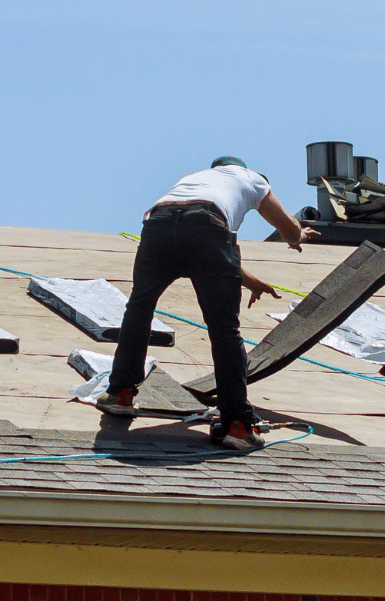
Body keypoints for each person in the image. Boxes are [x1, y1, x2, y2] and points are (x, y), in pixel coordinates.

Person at [102, 156, 319, 449]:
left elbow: (199, 245)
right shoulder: (252, 178)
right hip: (208, 226)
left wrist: (250, 281)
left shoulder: (195, 179)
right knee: (224, 329)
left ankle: (121, 395)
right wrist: (296, 237)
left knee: (139, 308)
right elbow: (280, 228)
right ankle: (237, 426)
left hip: (159, 223)